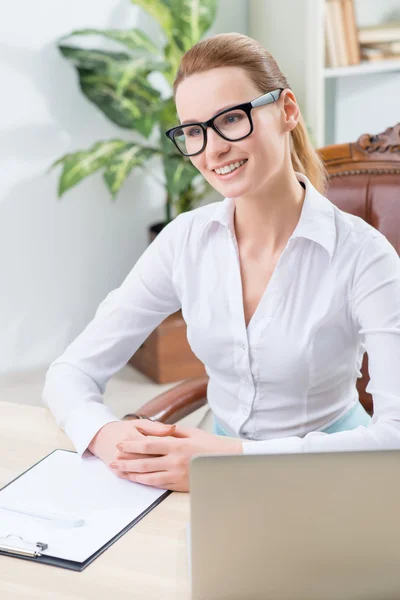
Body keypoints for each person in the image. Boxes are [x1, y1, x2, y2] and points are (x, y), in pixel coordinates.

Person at [43, 33, 400, 493]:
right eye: (193, 131)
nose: (212, 150)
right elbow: (71, 371)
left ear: (287, 110)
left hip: (328, 475)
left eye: (231, 119)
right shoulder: (184, 242)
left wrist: (231, 461)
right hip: (208, 469)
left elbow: (394, 438)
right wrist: (109, 436)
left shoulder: (364, 256)